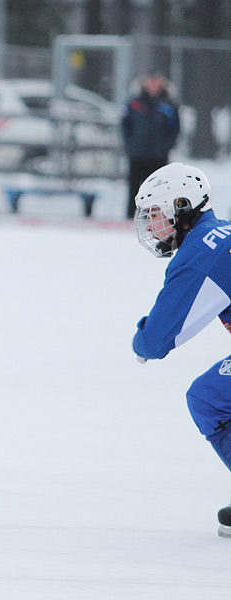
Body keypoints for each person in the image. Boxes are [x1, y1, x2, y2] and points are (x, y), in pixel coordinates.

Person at [131, 162, 231, 537]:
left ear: (182, 206)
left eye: (155, 214)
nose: (151, 225)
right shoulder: (222, 234)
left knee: (209, 398)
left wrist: (141, 341)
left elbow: (158, 338)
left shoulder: (200, 252)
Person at [121, 72, 180, 220]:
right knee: (134, 187)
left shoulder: (168, 104)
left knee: (157, 189)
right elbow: (125, 125)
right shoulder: (134, 102)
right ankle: (130, 216)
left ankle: (154, 219)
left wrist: (166, 146)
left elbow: (175, 128)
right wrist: (130, 144)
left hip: (158, 155)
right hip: (137, 153)